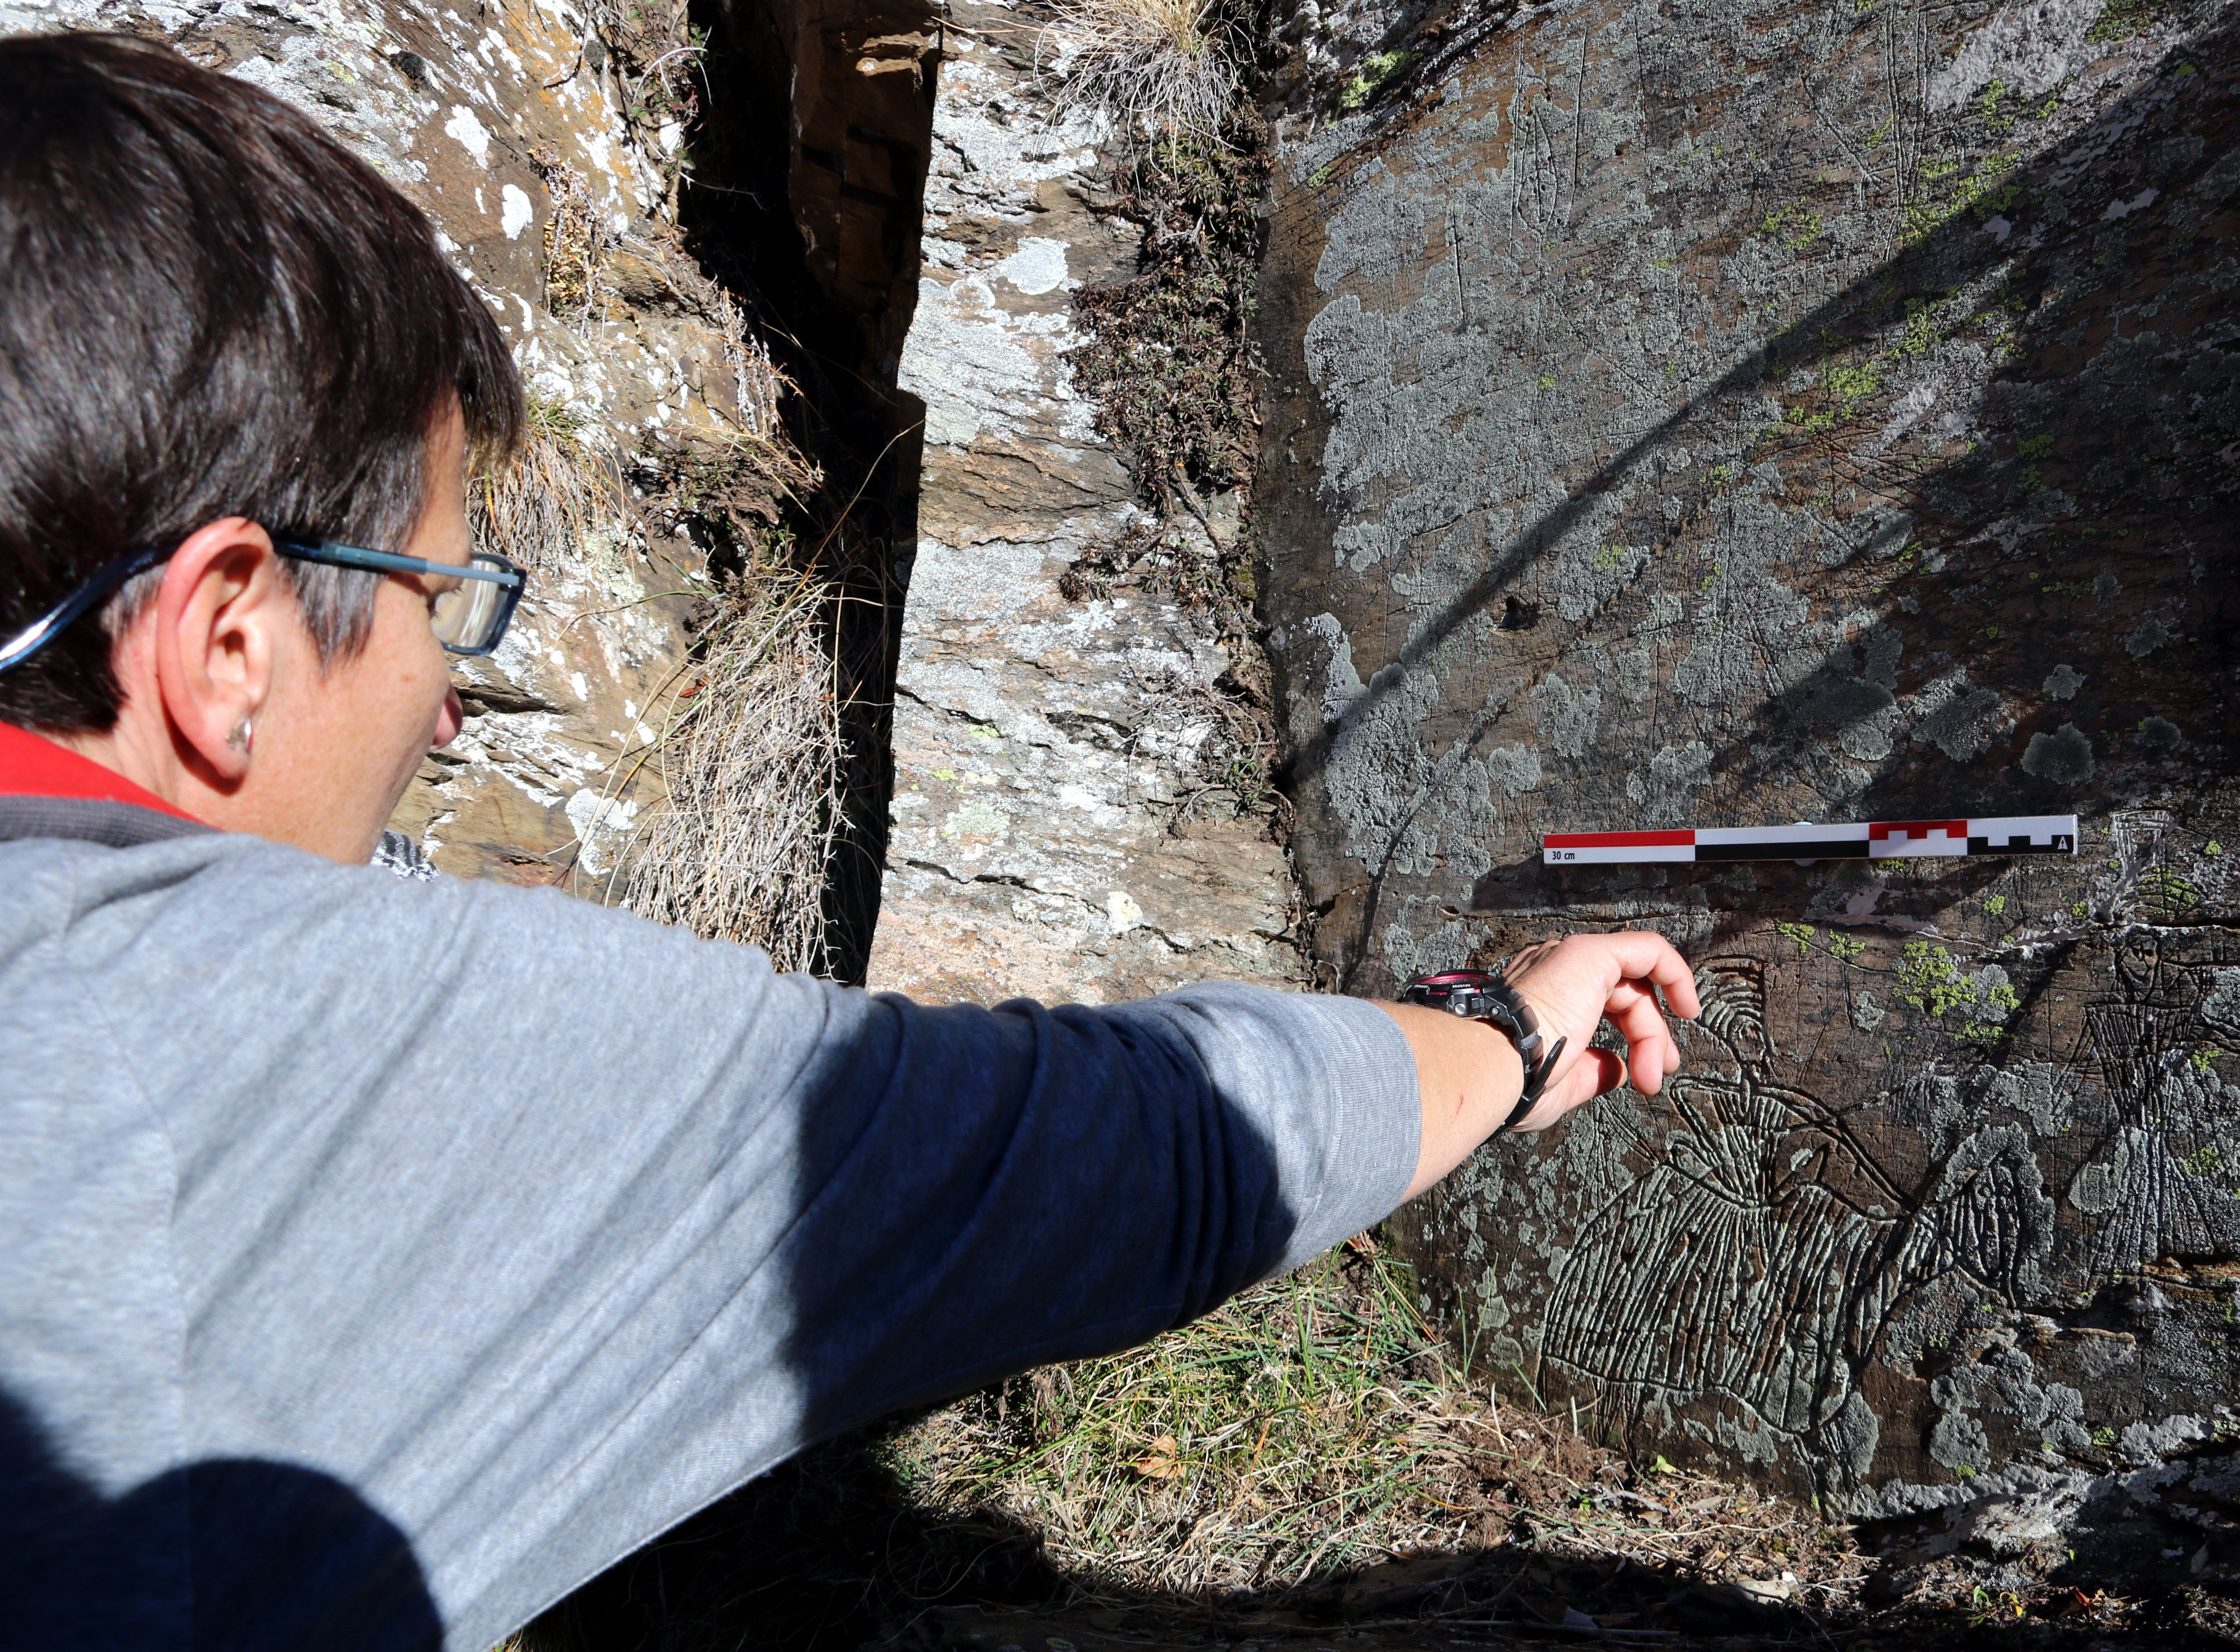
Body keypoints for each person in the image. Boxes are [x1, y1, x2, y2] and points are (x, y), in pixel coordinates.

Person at [0, 31, 1701, 1652]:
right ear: (228, 637)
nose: (449, 703)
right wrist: (1497, 1034)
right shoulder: (258, 1031)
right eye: (445, 601)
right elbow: (1114, 1159)